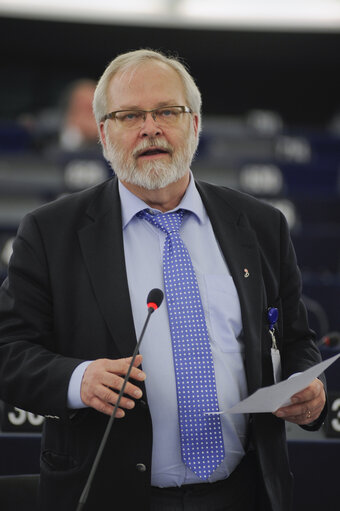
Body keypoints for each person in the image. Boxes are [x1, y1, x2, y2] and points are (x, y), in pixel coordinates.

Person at [0, 49, 326, 511]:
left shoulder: (260, 224)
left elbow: (295, 339)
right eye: (130, 115)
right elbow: (7, 351)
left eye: (167, 112)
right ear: (104, 133)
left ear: (194, 124)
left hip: (244, 492)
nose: (150, 127)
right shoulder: (51, 232)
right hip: (112, 497)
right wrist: (79, 379)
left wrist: (307, 391)